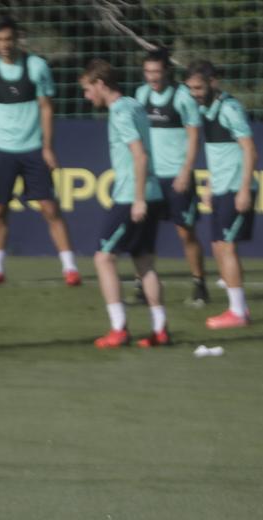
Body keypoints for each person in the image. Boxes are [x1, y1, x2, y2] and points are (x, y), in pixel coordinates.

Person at [0, 17, 79, 288]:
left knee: (49, 208)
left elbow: (47, 108)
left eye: (9, 39)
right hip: (1, 149)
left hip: (32, 149)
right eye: (0, 40)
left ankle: (70, 268)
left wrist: (48, 147)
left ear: (18, 39)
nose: (4, 45)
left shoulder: (36, 67)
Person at [79, 59, 168, 349]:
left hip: (133, 195)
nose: (86, 95)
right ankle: (160, 328)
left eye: (88, 89)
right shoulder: (134, 104)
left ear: (101, 84)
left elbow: (139, 156)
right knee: (144, 263)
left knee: (103, 257)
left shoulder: (119, 112)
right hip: (152, 192)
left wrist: (138, 199)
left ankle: (118, 328)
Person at [185, 60, 259, 329]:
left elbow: (250, 150)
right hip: (220, 188)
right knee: (218, 247)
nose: (195, 93)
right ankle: (236, 307)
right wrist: (209, 186)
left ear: (213, 82)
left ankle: (238, 313)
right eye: (191, 88)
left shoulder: (230, 109)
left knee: (226, 247)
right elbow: (219, 154)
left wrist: (243, 190)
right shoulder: (206, 109)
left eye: (199, 87)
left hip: (235, 188)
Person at [135, 48, 209, 307]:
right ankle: (142, 286)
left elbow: (193, 138)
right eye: (148, 72)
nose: (152, 77)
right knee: (144, 232)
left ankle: (199, 283)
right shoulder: (141, 95)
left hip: (177, 177)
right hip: (152, 177)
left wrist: (185, 171)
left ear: (166, 71)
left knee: (185, 233)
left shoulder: (182, 98)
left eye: (156, 71)